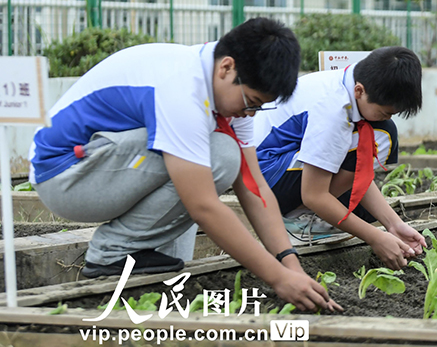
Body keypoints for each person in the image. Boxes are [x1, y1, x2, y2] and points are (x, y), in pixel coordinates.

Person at [30, 18, 339, 312]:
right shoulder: (182, 89)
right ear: (227, 67)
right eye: (251, 102)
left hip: (109, 168)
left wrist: (290, 263)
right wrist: (277, 278)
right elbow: (203, 206)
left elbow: (253, 186)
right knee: (218, 156)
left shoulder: (227, 92)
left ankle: (157, 284)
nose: (250, 114)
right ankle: (111, 251)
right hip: (65, 177)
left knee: (205, 161)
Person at [254, 46, 426, 270]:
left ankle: (311, 215)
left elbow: (358, 175)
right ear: (359, 91)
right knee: (377, 135)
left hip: (285, 165)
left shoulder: (354, 85)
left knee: (364, 209)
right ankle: (296, 221)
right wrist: (375, 237)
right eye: (385, 111)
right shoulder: (333, 110)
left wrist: (394, 225)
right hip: (265, 176)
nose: (387, 117)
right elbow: (314, 195)